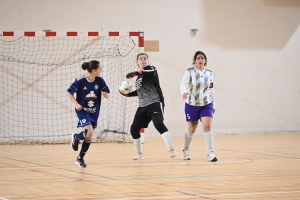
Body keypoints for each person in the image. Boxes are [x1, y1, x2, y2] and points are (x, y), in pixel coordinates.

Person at [120, 53, 177, 160]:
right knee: (134, 129)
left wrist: (134, 73)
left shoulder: (151, 69)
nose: (143, 60)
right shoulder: (138, 79)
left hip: (155, 103)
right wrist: (129, 94)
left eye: (145, 58)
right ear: (137, 62)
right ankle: (139, 154)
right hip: (143, 106)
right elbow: (140, 91)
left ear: (148, 61)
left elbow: (149, 73)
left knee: (158, 123)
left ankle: (172, 149)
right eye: (140, 59)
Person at [67, 60, 110, 167]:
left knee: (89, 136)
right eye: (100, 69)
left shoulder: (100, 80)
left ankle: (79, 157)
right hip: (82, 110)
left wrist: (105, 95)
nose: (101, 70)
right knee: (90, 132)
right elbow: (69, 92)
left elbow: (107, 94)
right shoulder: (80, 80)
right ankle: (76, 139)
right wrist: (76, 104)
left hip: (94, 111)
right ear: (94, 70)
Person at [180, 51, 217, 162]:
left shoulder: (209, 73)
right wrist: (184, 92)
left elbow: (211, 88)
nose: (200, 60)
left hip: (206, 104)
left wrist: (213, 103)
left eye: (202, 58)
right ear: (195, 61)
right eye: (198, 58)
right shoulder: (190, 71)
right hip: (192, 104)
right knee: (192, 128)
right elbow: (183, 83)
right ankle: (185, 149)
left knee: (207, 127)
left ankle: (210, 153)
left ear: (205, 61)